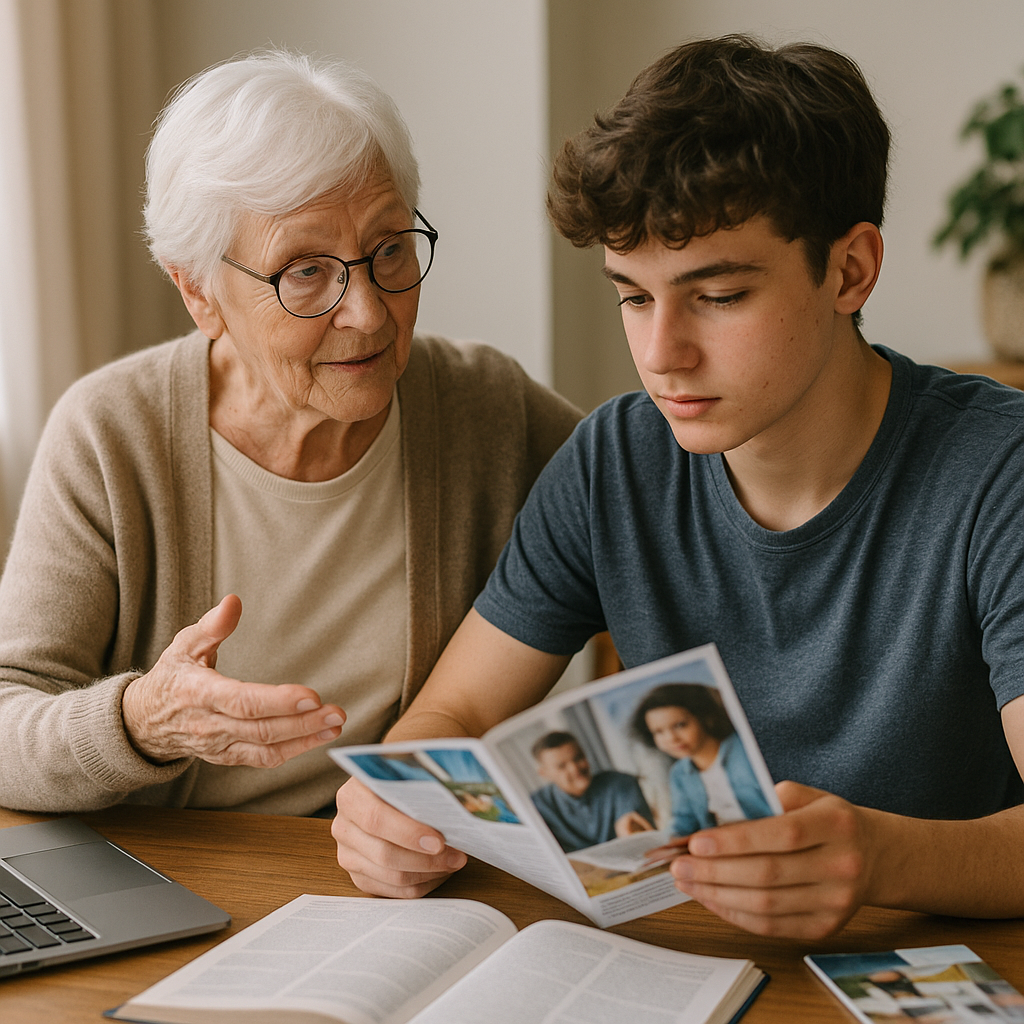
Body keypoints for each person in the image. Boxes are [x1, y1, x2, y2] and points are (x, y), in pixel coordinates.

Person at [332, 34, 1024, 937]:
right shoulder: (614, 461)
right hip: (681, 962)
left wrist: (886, 860)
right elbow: (453, 711)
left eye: (719, 296)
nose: (662, 355)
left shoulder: (1000, 472)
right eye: (633, 295)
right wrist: (393, 807)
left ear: (849, 271)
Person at [0, 50, 579, 816]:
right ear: (198, 292)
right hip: (183, 869)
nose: (367, 312)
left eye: (389, 249)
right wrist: (142, 721)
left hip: (397, 863)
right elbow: (8, 720)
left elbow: (657, 493)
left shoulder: (486, 407)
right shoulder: (112, 434)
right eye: (305, 271)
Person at [629, 684, 771, 836]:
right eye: (658, 732)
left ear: (706, 718)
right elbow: (684, 822)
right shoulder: (678, 773)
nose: (671, 738)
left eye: (680, 725)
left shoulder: (744, 749)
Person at [529, 731, 653, 852]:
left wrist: (630, 827)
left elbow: (636, 829)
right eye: (562, 766)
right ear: (544, 773)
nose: (574, 768)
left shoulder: (621, 783)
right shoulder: (536, 806)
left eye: (578, 758)